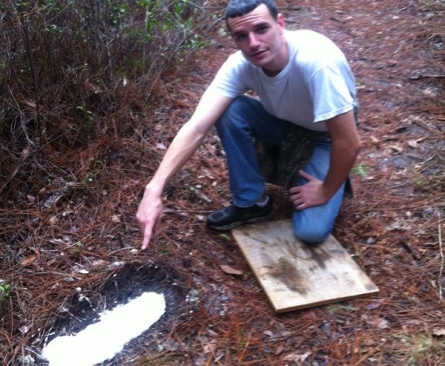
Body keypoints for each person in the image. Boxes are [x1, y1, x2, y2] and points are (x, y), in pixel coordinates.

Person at [136, 0, 362, 250]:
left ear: (280, 24)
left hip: (325, 136)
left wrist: (326, 190)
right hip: (284, 124)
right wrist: (153, 189)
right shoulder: (240, 65)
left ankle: (330, 179)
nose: (253, 43)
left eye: (261, 29)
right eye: (241, 36)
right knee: (230, 110)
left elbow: (348, 142)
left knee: (311, 232)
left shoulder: (317, 62)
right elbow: (197, 126)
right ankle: (252, 203)